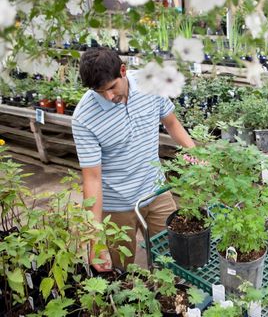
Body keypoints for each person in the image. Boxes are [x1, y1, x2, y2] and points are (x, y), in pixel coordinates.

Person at [72, 47, 195, 272]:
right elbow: (92, 179)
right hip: (117, 206)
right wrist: (95, 237)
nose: (109, 97)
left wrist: (196, 157)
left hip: (156, 191)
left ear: (123, 70)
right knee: (118, 270)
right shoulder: (84, 118)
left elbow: (172, 123)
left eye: (111, 87)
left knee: (173, 258)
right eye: (101, 92)